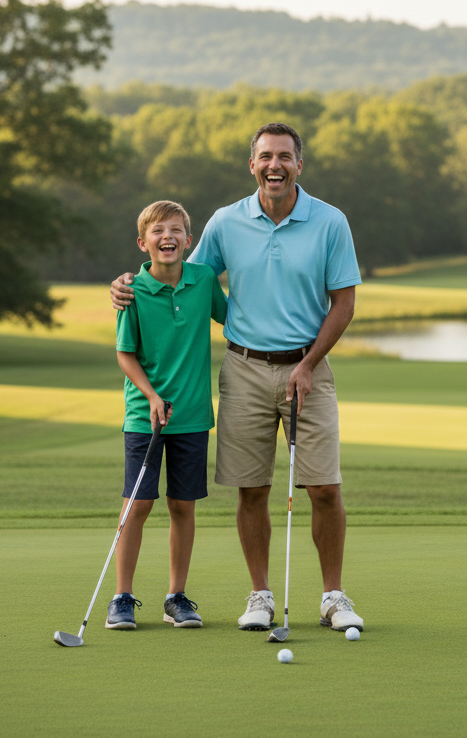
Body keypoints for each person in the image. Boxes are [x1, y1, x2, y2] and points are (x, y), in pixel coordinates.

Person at [111, 123, 365, 633]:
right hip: (244, 369)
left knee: (324, 489)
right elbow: (182, 277)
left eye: (285, 157)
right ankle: (260, 595)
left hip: (307, 369)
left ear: (299, 164)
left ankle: (333, 596)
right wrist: (127, 283)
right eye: (266, 156)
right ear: (252, 164)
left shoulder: (330, 222)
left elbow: (344, 303)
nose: (275, 165)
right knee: (251, 489)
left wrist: (310, 363)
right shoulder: (227, 222)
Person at [107, 200, 228, 631]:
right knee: (137, 504)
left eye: (176, 230)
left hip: (193, 416)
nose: (167, 238)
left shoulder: (203, 280)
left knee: (182, 505)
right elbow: (125, 356)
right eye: (158, 232)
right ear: (143, 243)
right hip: (145, 416)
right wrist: (152, 396)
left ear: (188, 240)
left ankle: (176, 596)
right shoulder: (132, 292)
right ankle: (122, 597)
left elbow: (234, 318)